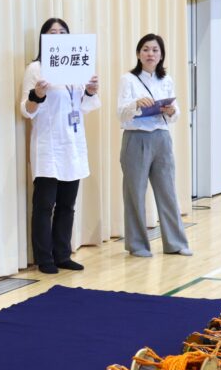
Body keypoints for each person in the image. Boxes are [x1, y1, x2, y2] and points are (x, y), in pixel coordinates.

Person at [20, 18, 100, 273]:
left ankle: (62, 254)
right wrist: (37, 95)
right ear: (44, 38)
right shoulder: (36, 68)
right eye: (52, 32)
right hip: (48, 145)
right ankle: (45, 258)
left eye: (62, 32)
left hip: (72, 144)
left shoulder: (77, 67)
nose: (57, 36)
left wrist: (90, 90)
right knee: (44, 206)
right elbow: (26, 110)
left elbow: (84, 106)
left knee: (67, 205)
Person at [116, 33, 192, 258]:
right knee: (135, 193)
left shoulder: (166, 80)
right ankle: (137, 245)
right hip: (135, 138)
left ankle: (175, 243)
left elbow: (176, 114)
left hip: (162, 138)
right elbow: (120, 114)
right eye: (146, 49)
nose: (150, 54)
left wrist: (171, 110)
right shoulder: (128, 79)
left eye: (155, 50)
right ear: (138, 54)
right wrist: (135, 104)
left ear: (161, 55)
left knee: (168, 191)